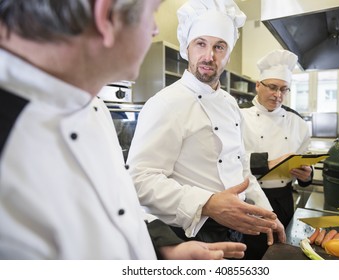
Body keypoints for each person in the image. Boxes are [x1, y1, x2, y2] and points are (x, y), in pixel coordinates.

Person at [0, 0, 247, 260]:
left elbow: (119, 208)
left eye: (219, 47)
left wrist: (164, 250)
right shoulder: (11, 136)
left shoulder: (92, 104)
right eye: (152, 13)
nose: (154, 29)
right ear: (105, 15)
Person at [127, 0, 286, 260]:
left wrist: (268, 216)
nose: (209, 56)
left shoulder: (230, 104)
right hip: (189, 234)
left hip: (236, 226)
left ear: (228, 53)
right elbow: (139, 180)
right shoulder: (166, 103)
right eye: (200, 43)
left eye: (219, 46)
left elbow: (242, 169)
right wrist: (209, 203)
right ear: (186, 48)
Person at [239, 50, 313, 229]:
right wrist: (269, 163)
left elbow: (304, 157)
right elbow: (229, 160)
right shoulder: (237, 115)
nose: (278, 95)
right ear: (258, 85)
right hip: (247, 200)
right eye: (272, 87)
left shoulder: (297, 121)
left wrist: (307, 175)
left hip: (284, 199)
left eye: (283, 89)